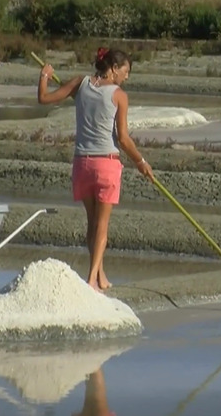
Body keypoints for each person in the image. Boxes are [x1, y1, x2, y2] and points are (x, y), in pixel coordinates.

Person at [38, 48, 154, 292]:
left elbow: (44, 99)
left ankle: (100, 276)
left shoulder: (81, 84)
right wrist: (141, 162)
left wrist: (45, 77)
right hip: (106, 164)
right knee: (101, 226)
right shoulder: (119, 95)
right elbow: (123, 138)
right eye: (126, 71)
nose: (127, 77)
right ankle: (91, 279)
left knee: (92, 223)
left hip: (82, 163)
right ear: (113, 68)